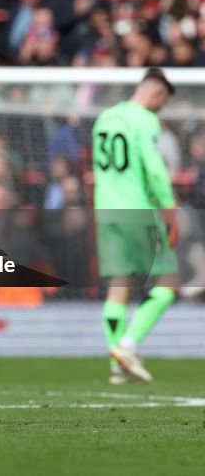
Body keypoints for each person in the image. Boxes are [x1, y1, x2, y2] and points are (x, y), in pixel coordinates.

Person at [92, 68, 179, 384]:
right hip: (138, 210)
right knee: (167, 284)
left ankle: (117, 362)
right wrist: (169, 207)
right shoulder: (145, 120)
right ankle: (128, 345)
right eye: (162, 104)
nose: (160, 110)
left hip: (106, 210)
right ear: (156, 93)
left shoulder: (104, 118)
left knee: (118, 284)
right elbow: (154, 167)